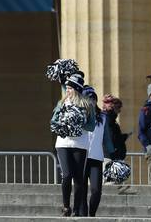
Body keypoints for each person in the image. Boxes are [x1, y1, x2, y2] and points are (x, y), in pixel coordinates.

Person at [52, 72, 96, 217]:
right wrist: (63, 125)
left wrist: (78, 123)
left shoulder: (87, 104)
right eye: (67, 88)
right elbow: (53, 121)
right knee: (67, 175)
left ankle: (76, 209)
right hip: (63, 143)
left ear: (77, 89)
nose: (68, 91)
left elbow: (91, 126)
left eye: (70, 88)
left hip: (80, 144)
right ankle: (66, 206)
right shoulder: (62, 103)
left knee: (78, 178)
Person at [81, 86, 113, 217]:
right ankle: (82, 215)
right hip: (81, 157)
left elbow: (107, 138)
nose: (91, 102)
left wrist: (113, 153)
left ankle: (91, 214)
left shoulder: (103, 118)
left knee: (96, 190)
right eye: (89, 99)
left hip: (96, 158)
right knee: (81, 190)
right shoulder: (78, 116)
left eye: (93, 99)